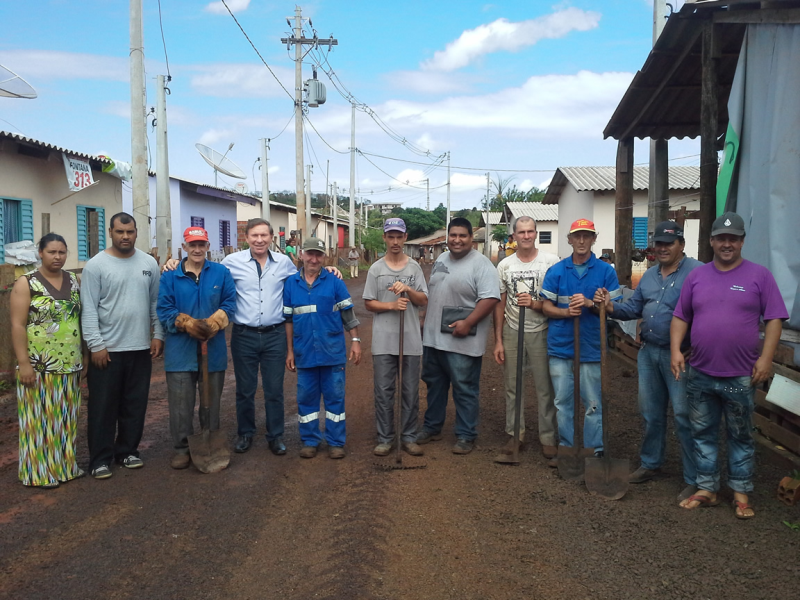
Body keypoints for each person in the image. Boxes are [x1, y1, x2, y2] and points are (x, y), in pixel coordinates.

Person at [671, 212, 788, 519]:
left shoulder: (759, 276)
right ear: (711, 241)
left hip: (740, 373)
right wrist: (675, 351)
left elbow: (775, 318)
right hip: (701, 371)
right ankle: (707, 488)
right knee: (702, 432)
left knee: (741, 434)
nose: (727, 244)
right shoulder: (697, 276)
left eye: (733, 239)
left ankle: (741, 493)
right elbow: (681, 316)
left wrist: (765, 358)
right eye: (721, 238)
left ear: (741, 242)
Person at [594, 221, 702, 500]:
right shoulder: (651, 276)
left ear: (682, 245)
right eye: (659, 243)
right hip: (649, 352)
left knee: (682, 415)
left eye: (669, 243)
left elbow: (707, 312)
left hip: (679, 356)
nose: (663, 248)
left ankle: (694, 478)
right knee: (650, 412)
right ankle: (651, 463)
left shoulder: (697, 273)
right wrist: (609, 306)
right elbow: (633, 308)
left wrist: (696, 346)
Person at [81, 213, 164, 479]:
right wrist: (96, 345)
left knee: (134, 404)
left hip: (139, 348)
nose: (125, 236)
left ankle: (127, 451)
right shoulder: (96, 266)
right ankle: (100, 459)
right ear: (110, 232)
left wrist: (158, 334)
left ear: (136, 232)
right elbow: (89, 309)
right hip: (107, 350)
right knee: (103, 407)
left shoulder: (149, 263)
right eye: (119, 232)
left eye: (129, 232)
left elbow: (155, 303)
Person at [541, 219, 620, 468]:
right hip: (561, 346)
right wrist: (567, 312)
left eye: (587, 236)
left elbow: (613, 309)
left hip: (592, 347)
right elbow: (545, 306)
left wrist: (595, 304)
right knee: (563, 401)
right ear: (569, 239)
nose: (582, 241)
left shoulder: (606, 271)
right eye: (577, 236)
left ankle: (593, 450)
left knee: (593, 402)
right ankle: (567, 446)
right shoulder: (556, 271)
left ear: (594, 238)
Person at [417, 217, 501, 454]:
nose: (457, 240)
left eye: (462, 236)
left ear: (471, 239)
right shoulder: (441, 259)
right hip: (434, 338)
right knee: (434, 384)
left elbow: (491, 298)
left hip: (462, 339)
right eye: (453, 235)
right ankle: (432, 427)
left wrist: (469, 322)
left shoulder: (482, 264)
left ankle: (466, 434)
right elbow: (435, 293)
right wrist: (424, 321)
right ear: (447, 237)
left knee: (464, 387)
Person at [157, 227, 237, 469]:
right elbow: (164, 309)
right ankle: (182, 448)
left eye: (201, 244)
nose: (197, 249)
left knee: (210, 402)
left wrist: (215, 322)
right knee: (180, 404)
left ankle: (209, 439)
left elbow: (231, 303)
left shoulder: (221, 273)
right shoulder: (170, 276)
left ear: (208, 245)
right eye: (192, 244)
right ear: (185, 246)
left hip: (212, 350)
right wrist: (186, 323)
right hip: (180, 351)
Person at [10, 234, 84, 488]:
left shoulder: (74, 281)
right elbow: (18, 325)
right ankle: (39, 472)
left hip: (69, 363)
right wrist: (24, 363)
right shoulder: (26, 283)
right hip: (38, 364)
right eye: (52, 252)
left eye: (62, 252)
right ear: (40, 253)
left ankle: (65, 467)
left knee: (65, 417)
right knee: (38, 420)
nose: (57, 257)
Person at [284, 237, 362, 459]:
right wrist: (289, 351)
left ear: (324, 257)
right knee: (306, 398)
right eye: (310, 253)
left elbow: (348, 313)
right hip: (304, 351)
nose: (314, 258)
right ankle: (310, 440)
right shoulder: (291, 284)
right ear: (301, 255)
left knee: (334, 398)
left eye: (318, 254)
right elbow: (288, 320)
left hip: (332, 351)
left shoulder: (335, 281)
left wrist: (355, 341)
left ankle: (336, 442)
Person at [493, 216, 560, 461]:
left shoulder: (551, 262)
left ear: (536, 233)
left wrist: (535, 304)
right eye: (521, 232)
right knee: (513, 386)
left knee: (545, 388)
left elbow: (556, 299)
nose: (526, 236)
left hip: (541, 329)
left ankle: (548, 438)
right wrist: (498, 339)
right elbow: (499, 304)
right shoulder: (505, 266)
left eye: (530, 231)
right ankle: (515, 435)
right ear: (514, 236)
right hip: (512, 329)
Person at [364, 218, 428, 457]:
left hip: (410, 339)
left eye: (399, 236)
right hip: (383, 340)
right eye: (390, 236)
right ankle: (385, 438)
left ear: (405, 238)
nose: (395, 241)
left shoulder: (414, 268)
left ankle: (409, 436)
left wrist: (408, 290)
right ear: (384, 238)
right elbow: (369, 303)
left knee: (410, 390)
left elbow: (423, 301)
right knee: (384, 391)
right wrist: (392, 306)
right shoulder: (376, 269)